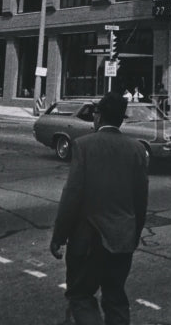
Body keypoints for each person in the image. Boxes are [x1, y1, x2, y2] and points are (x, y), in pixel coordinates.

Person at [50, 92, 149, 325]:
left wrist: (59, 236)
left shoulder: (84, 146)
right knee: (115, 297)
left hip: (89, 240)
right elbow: (141, 200)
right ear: (121, 120)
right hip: (122, 239)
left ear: (97, 116)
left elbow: (72, 196)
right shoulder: (136, 149)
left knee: (81, 295)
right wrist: (134, 234)